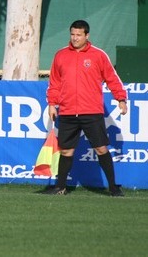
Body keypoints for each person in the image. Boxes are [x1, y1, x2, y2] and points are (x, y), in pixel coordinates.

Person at [45, 19, 128, 196]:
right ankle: (60, 187)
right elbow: (54, 83)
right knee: (66, 150)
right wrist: (52, 104)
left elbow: (112, 78)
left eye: (78, 35)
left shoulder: (98, 55)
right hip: (67, 111)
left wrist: (120, 98)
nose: (75, 38)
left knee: (101, 148)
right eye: (72, 34)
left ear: (86, 35)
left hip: (92, 111)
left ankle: (113, 187)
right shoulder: (60, 55)